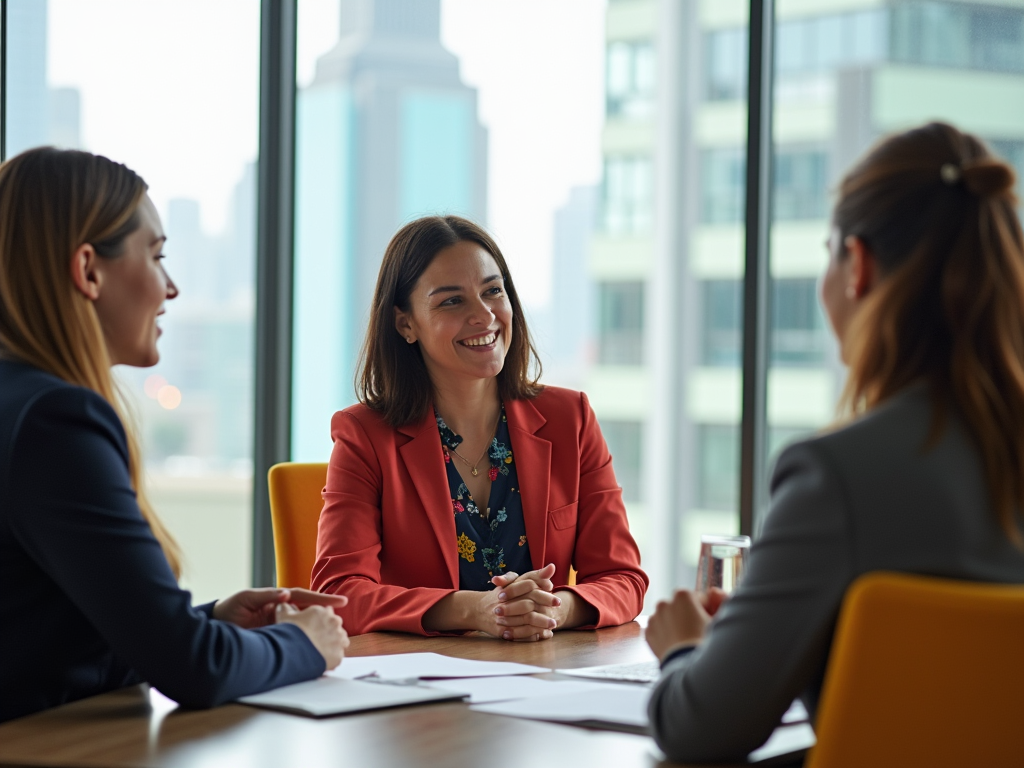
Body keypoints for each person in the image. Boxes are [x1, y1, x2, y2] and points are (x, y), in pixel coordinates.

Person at [644, 122, 1024, 763]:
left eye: (828, 253)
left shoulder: (838, 474)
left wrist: (686, 647)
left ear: (858, 265)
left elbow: (698, 729)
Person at [0, 148, 350, 724]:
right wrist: (304, 644)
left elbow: (49, 642)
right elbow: (193, 669)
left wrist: (212, 621)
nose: (172, 288)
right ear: (88, 270)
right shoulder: (54, 422)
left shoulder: (23, 403)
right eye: (157, 256)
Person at [312, 215, 647, 639]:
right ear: (406, 324)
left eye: (493, 291)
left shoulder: (570, 418)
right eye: (452, 301)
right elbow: (339, 594)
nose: (484, 315)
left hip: (542, 681)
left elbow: (624, 579)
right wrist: (474, 610)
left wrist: (552, 610)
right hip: (422, 689)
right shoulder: (363, 435)